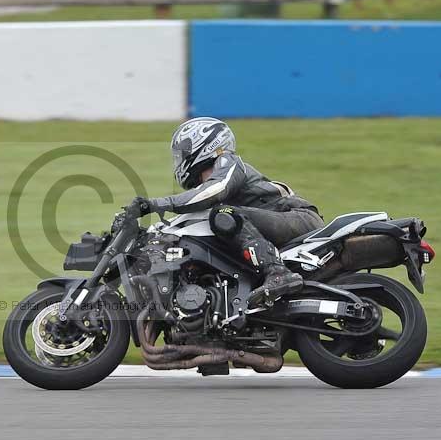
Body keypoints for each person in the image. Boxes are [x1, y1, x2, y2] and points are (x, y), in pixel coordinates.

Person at [127, 117, 324, 307]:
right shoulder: (208, 185)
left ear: (206, 144)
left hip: (297, 217)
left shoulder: (227, 161)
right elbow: (188, 219)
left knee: (224, 214)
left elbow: (215, 191)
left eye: (184, 150)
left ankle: (278, 273)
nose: (180, 158)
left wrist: (156, 204)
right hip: (273, 223)